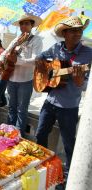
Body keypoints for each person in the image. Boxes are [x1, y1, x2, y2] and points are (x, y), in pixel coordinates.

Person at [35, 16, 92, 179]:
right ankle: (42, 164)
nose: (77, 34)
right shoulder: (56, 48)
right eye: (73, 31)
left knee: (69, 143)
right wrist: (43, 67)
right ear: (65, 33)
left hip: (69, 106)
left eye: (79, 30)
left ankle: (70, 175)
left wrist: (80, 81)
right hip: (50, 101)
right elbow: (39, 58)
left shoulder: (89, 54)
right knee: (40, 134)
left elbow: (87, 85)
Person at [0, 14, 43, 137]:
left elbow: (35, 60)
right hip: (11, 79)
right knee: (11, 108)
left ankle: (18, 136)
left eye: (27, 23)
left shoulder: (37, 40)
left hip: (25, 81)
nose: (23, 26)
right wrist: (1, 60)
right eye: (22, 23)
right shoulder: (16, 40)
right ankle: (8, 133)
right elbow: (5, 53)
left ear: (32, 25)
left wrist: (17, 61)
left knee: (21, 110)